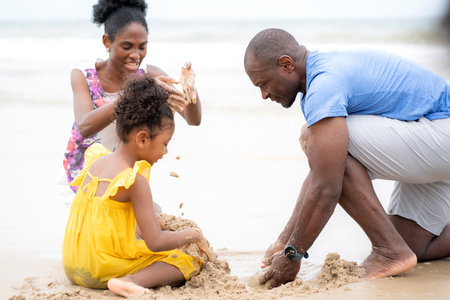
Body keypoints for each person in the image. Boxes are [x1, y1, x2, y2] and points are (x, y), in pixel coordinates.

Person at [244, 28, 450, 288]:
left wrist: (292, 255)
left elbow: (327, 186)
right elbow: (322, 174)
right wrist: (284, 241)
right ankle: (395, 247)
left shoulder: (324, 84)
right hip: (432, 142)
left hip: (440, 132)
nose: (263, 94)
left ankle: (388, 249)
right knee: (413, 247)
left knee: (319, 142)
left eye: (263, 84)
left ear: (286, 65)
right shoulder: (322, 73)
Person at [62, 76, 214, 297]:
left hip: (73, 264)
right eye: (164, 143)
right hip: (99, 269)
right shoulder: (134, 180)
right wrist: (193, 234)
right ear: (142, 139)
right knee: (187, 260)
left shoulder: (97, 160)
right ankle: (127, 281)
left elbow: (118, 221)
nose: (165, 152)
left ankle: (121, 275)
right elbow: (155, 242)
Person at [63, 0, 202, 193]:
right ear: (107, 42)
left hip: (123, 173)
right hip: (84, 175)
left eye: (142, 47)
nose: (136, 55)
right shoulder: (83, 75)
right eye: (127, 47)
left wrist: (190, 89)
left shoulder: (149, 75)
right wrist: (139, 91)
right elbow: (85, 126)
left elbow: (193, 119)